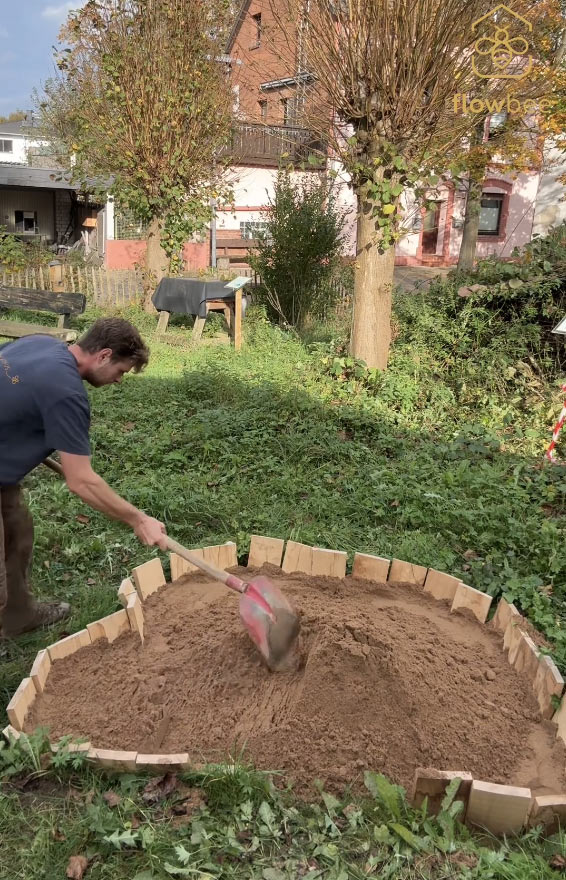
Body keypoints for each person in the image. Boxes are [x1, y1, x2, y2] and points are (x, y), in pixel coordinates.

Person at [0, 317, 168, 638]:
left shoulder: (43, 343)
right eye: (121, 371)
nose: (119, 380)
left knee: (16, 531)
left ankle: (18, 616)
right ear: (103, 355)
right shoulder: (67, 393)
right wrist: (137, 519)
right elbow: (81, 481)